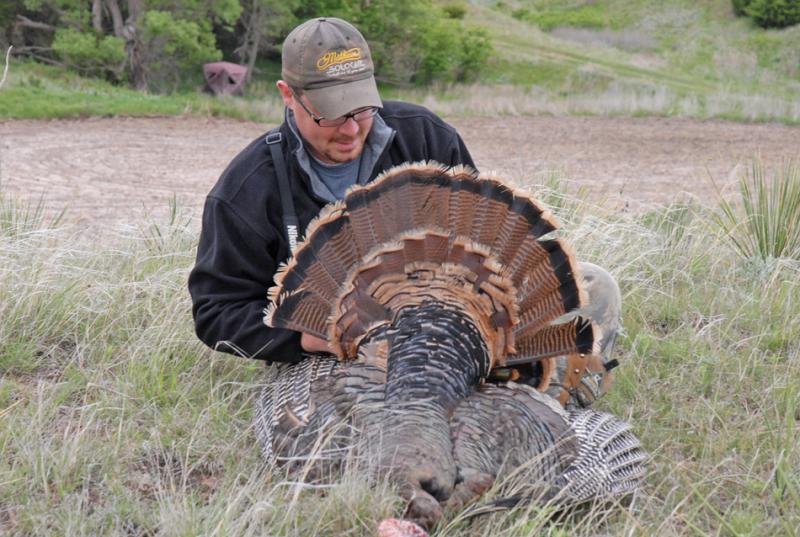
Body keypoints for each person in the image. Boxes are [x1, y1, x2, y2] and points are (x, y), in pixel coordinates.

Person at [188, 17, 476, 363]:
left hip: (437, 336)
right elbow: (217, 312)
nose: (352, 129)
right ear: (288, 96)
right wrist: (302, 337)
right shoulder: (248, 189)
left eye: (362, 108)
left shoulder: (427, 139)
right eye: (331, 114)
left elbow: (483, 246)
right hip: (319, 362)